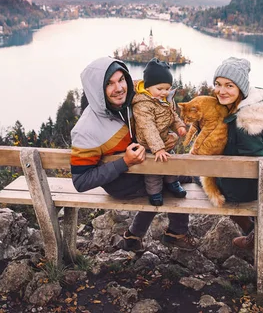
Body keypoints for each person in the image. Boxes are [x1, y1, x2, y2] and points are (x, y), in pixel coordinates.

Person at [70, 56, 197, 252]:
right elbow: (81, 182)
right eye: (110, 84)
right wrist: (124, 162)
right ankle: (176, 232)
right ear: (97, 90)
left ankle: (134, 236)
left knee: (171, 174)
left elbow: (158, 100)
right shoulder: (86, 129)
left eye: (121, 80)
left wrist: (169, 133)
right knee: (176, 180)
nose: (119, 88)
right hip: (122, 183)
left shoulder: (134, 100)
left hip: (144, 167)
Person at [211, 57, 263, 249]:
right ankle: (254, 232)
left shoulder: (245, 122)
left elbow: (254, 161)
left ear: (241, 89)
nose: (221, 90)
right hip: (257, 183)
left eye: (229, 86)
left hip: (247, 188)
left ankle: (254, 233)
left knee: (203, 180)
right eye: (217, 84)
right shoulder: (251, 110)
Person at [132, 58, 188, 206]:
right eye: (160, 88)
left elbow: (172, 114)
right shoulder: (143, 104)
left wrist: (179, 126)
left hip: (164, 141)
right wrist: (158, 148)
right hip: (150, 145)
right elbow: (147, 127)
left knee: (171, 163)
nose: (164, 92)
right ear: (149, 87)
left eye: (167, 88)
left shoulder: (164, 99)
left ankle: (173, 183)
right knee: (153, 170)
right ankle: (154, 193)